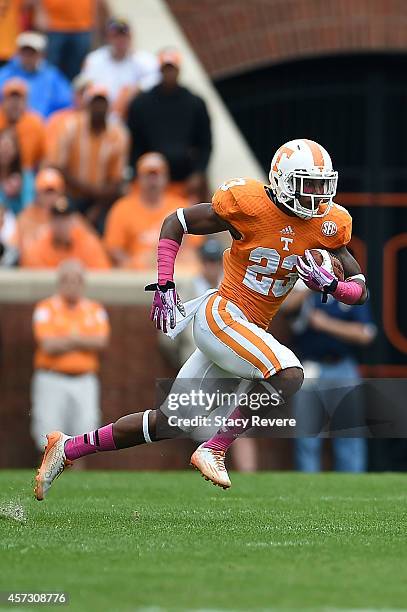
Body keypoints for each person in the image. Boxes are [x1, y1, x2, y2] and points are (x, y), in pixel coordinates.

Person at [35, 138, 369, 501]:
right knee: (289, 373)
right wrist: (164, 283)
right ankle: (215, 447)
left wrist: (334, 286)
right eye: (309, 185)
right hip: (223, 315)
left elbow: (360, 287)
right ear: (284, 180)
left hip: (245, 330)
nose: (318, 197)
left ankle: (67, 448)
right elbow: (175, 221)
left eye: (323, 186)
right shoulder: (248, 203)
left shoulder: (329, 223)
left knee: (168, 423)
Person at [286, 285, 376, 472]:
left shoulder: (350, 290)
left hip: (342, 366)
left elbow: (366, 333)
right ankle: (307, 493)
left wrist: (326, 324)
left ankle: (353, 491)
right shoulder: (305, 287)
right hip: (309, 366)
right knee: (306, 437)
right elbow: (285, 307)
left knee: (349, 434)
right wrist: (311, 286)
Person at [31, 259, 110, 451]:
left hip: (85, 379)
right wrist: (82, 340)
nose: (71, 285)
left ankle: (78, 480)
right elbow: (48, 344)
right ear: (59, 282)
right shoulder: (45, 308)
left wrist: (66, 339)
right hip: (52, 377)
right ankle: (45, 479)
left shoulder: (95, 309)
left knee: (83, 438)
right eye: (67, 280)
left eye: (76, 280)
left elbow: (101, 341)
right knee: (48, 438)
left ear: (83, 283)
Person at [127, 48, 212, 202]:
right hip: (151, 178)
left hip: (186, 180)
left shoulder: (195, 102)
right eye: (165, 69)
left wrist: (199, 171)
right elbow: (135, 144)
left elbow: (205, 142)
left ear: (178, 70)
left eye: (172, 69)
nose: (169, 73)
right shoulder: (141, 104)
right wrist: (136, 174)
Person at [45, 85, 128, 232]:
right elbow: (57, 166)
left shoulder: (118, 135)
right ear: (87, 105)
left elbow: (116, 180)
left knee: (109, 220)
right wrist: (89, 190)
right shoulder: (69, 127)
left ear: (109, 106)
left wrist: (97, 206)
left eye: (102, 102)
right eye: (95, 102)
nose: (99, 107)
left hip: (102, 199)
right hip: (70, 194)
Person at [104, 152, 200, 271]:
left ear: (166, 178)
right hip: (139, 274)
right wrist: (134, 266)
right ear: (138, 179)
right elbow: (114, 249)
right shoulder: (122, 208)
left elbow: (194, 246)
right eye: (148, 175)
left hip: (175, 271)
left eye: (157, 175)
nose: (152, 181)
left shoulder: (181, 207)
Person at [82, 18, 159, 117]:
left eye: (123, 36)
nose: (120, 40)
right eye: (116, 36)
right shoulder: (95, 59)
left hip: (132, 114)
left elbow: (156, 78)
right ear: (108, 38)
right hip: (101, 113)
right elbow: (85, 85)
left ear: (130, 37)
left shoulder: (143, 59)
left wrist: (136, 89)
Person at [21, 196, 111, 269]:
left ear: (74, 221)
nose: (62, 224)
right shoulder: (38, 245)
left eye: (66, 219)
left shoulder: (88, 243)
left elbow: (102, 273)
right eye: (57, 219)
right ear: (50, 222)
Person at [0, 31, 72, 118]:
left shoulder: (52, 76)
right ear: (18, 53)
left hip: (44, 126)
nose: (28, 57)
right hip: (8, 124)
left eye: (32, 53)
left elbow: (66, 103)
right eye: (24, 52)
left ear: (41, 55)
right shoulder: (6, 74)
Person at [37, 0, 109, 81]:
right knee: (51, 69)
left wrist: (97, 23)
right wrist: (40, 11)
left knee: (79, 73)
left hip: (83, 25)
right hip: (54, 25)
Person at [0, 77, 46, 170]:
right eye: (11, 98)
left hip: (25, 176)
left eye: (19, 99)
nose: (15, 103)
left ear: (26, 102)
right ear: (3, 101)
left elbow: (43, 158)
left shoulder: (35, 124)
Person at [0, 128, 34, 214]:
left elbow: (28, 207)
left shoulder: (25, 176)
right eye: (2, 147)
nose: (4, 152)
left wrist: (18, 195)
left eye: (8, 148)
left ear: (16, 151)